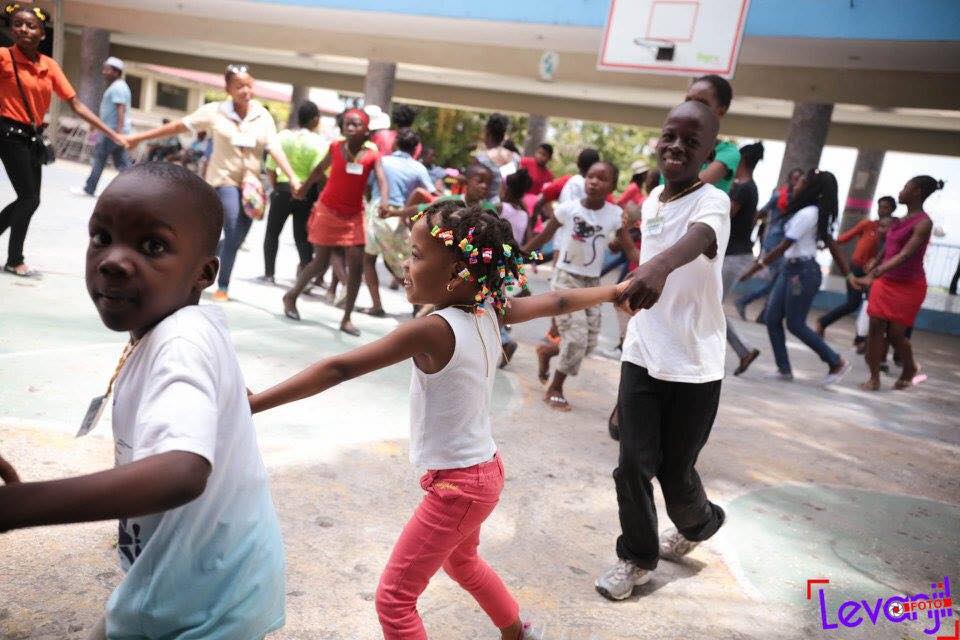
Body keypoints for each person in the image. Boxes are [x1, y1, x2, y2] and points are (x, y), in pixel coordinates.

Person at [249, 199, 631, 639]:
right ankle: (518, 632)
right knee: (462, 561)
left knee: (394, 599)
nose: (405, 264)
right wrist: (615, 291)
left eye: (415, 255)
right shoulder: (490, 308)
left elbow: (339, 368)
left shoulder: (432, 328)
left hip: (459, 487)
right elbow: (557, 299)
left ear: (454, 275)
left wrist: (255, 403)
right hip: (484, 473)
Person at [0, 162, 285, 638]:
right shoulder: (179, 327)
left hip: (205, 607)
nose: (112, 260)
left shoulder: (180, 343)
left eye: (152, 246)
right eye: (101, 237)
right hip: (198, 580)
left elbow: (181, 471)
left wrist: (14, 508)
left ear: (203, 272)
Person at [594, 101, 729, 600]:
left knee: (676, 474)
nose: (676, 147)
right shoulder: (652, 201)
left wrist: (656, 268)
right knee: (631, 464)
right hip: (644, 352)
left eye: (690, 142)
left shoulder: (712, 202)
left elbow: (697, 241)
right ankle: (636, 557)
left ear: (707, 152)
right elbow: (649, 264)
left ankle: (702, 524)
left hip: (695, 363)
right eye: (670, 136)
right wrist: (640, 259)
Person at [126, 64, 302, 302]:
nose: (246, 90)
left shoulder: (262, 116)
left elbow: (275, 149)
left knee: (237, 237)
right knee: (231, 229)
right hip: (223, 180)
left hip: (251, 186)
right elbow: (180, 126)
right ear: (228, 88)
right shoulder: (215, 111)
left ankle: (199, 262)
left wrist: (292, 177)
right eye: (239, 86)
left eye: (249, 85)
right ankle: (223, 286)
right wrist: (138, 137)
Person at [0, 3, 126, 277]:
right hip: (8, 132)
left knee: (30, 199)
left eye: (31, 25)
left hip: (33, 137)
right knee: (29, 197)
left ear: (42, 34)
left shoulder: (49, 66)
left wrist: (112, 133)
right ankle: (15, 257)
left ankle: (13, 258)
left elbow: (77, 104)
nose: (24, 29)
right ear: (11, 30)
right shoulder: (3, 57)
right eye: (18, 24)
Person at [522, 161, 638, 411]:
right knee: (575, 337)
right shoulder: (568, 209)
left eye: (602, 178)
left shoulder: (615, 214)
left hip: (592, 283)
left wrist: (646, 271)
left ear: (613, 185)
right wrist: (520, 254)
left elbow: (626, 246)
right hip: (566, 278)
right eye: (590, 177)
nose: (594, 182)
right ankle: (555, 388)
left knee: (589, 343)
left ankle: (547, 352)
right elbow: (543, 237)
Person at [282, 108, 389, 336]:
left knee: (357, 264)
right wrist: (302, 189)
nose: (350, 127)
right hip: (328, 211)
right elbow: (319, 169)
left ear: (366, 130)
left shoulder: (372, 155)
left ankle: (347, 318)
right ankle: (291, 296)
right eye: (347, 123)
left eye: (356, 124)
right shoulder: (335, 147)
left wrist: (385, 201)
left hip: (353, 216)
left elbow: (382, 180)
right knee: (319, 263)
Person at [739, 169, 852, 385]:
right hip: (791, 270)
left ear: (811, 187)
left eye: (800, 182)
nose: (796, 185)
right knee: (772, 318)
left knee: (795, 324)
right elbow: (830, 243)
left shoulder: (809, 213)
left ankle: (836, 361)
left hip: (801, 272)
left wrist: (755, 268)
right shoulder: (812, 212)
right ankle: (784, 369)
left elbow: (783, 246)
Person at [854, 176, 942, 391]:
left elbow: (905, 254)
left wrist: (875, 272)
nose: (900, 191)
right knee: (875, 326)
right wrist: (877, 259)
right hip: (886, 281)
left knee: (895, 334)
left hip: (909, 285)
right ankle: (874, 378)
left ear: (917, 192)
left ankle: (910, 367)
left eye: (905, 188)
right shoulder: (899, 220)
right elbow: (891, 245)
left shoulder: (924, 222)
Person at [364, 129, 437, 316]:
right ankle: (418, 304)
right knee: (403, 263)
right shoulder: (418, 168)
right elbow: (432, 194)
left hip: (379, 211)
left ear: (395, 144)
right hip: (401, 217)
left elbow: (369, 186)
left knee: (369, 259)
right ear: (415, 149)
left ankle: (376, 305)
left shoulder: (384, 161)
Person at [259, 100, 327, 284]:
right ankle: (306, 276)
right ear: (315, 120)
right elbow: (320, 172)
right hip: (307, 192)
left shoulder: (283, 137)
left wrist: (277, 188)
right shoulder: (319, 142)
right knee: (302, 237)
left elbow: (271, 167)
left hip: (282, 188)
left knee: (272, 232)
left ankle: (269, 274)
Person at [815, 195, 895, 339]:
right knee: (853, 303)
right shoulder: (868, 225)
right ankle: (823, 322)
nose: (881, 211)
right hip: (857, 268)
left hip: (877, 272)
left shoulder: (893, 230)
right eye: (880, 207)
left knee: (873, 304)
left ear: (892, 210)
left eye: (886, 208)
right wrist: (827, 244)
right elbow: (845, 237)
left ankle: (862, 338)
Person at [735, 168, 804, 322]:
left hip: (786, 243)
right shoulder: (779, 195)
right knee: (778, 281)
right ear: (789, 179)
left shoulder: (801, 200)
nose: (797, 182)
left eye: (799, 180)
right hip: (775, 242)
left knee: (778, 280)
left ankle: (762, 313)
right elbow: (762, 212)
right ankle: (748, 302)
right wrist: (748, 233)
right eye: (795, 178)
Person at [722, 141, 764, 375]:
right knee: (709, 305)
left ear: (743, 160)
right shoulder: (750, 187)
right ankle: (743, 351)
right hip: (736, 255)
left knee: (710, 306)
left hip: (732, 256)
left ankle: (744, 350)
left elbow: (724, 218)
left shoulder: (742, 188)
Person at [71, 56, 132, 197]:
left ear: (116, 72)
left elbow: (120, 110)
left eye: (107, 70)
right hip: (113, 132)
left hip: (112, 132)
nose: (104, 72)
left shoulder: (118, 87)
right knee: (123, 165)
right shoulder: (118, 86)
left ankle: (89, 189)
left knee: (99, 159)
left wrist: (118, 133)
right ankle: (135, 190)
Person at [474, 113, 519, 203]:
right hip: (506, 209)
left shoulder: (481, 158)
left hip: (484, 209)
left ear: (488, 134)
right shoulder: (515, 158)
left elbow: (474, 188)